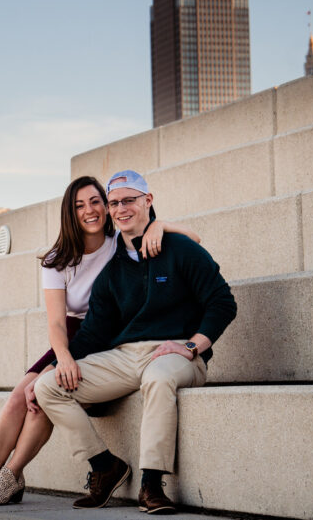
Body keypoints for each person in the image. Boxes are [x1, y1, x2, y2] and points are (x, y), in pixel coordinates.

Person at [0, 175, 202, 506]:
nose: (90, 211)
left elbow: (193, 239)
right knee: (19, 398)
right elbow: (55, 321)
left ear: (107, 206)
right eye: (80, 205)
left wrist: (160, 225)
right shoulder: (58, 258)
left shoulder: (119, 240)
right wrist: (62, 358)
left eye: (96, 201)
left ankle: (11, 476)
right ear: (71, 212)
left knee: (38, 401)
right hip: (74, 334)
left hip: (112, 333)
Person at [34, 170, 237, 514]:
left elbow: (222, 302)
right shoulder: (111, 271)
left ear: (148, 201)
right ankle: (103, 466)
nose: (121, 208)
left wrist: (192, 346)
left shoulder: (181, 249)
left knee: (158, 377)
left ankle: (151, 485)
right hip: (126, 356)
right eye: (114, 203)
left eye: (129, 200)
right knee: (47, 386)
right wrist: (57, 364)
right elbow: (94, 333)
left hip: (176, 353)